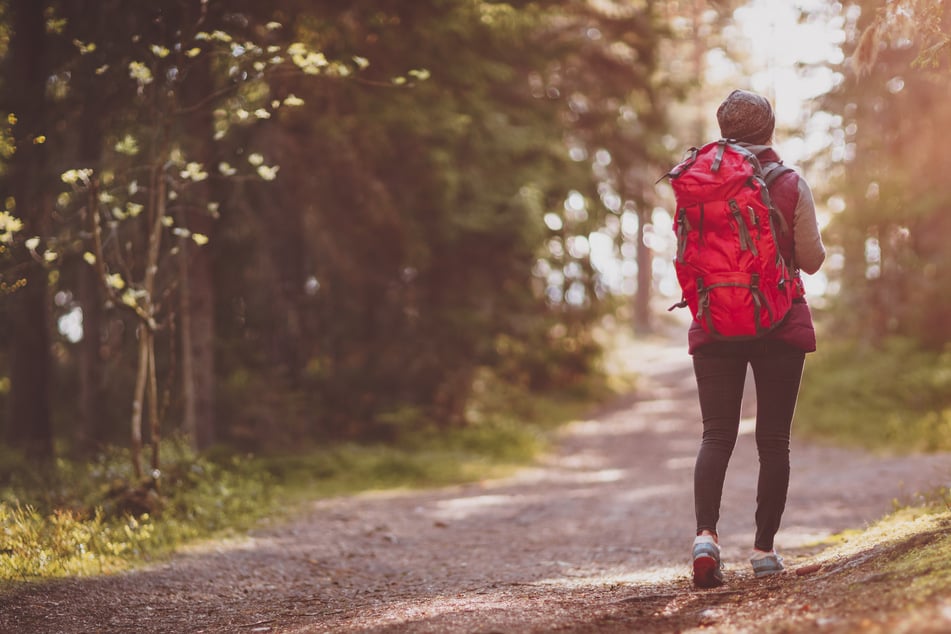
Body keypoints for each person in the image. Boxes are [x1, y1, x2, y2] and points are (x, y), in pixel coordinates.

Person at [689, 89, 826, 588]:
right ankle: (765, 551)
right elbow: (810, 259)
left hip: (714, 321)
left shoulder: (699, 180)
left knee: (716, 435)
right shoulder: (789, 182)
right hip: (779, 321)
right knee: (773, 441)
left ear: (723, 130)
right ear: (769, 130)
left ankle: (706, 538)